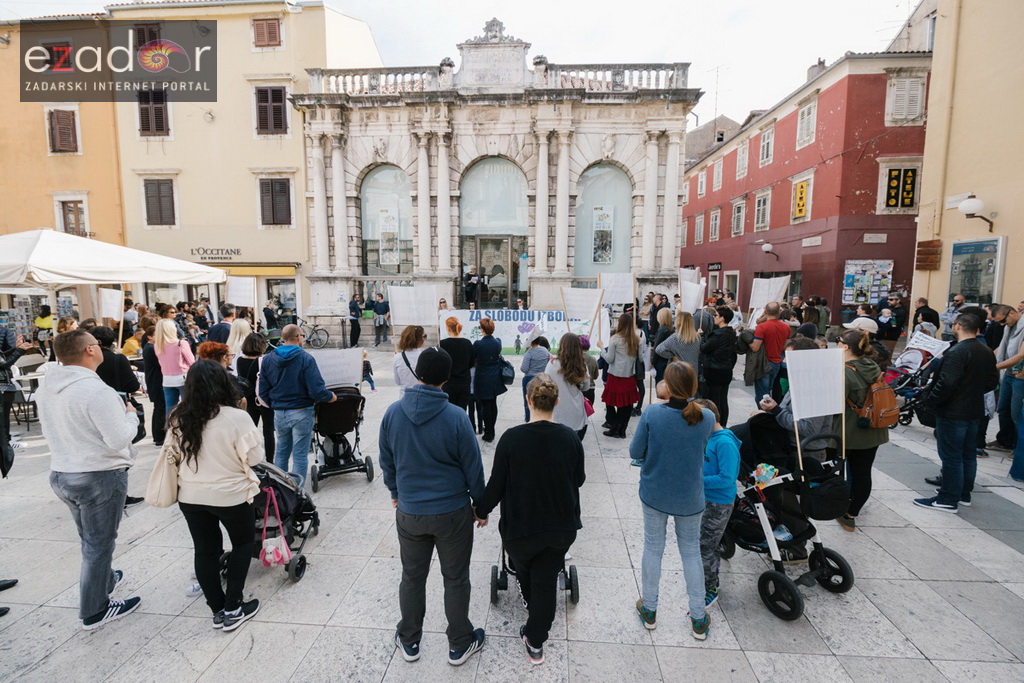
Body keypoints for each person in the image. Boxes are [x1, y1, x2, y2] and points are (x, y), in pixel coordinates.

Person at [378, 347, 487, 667]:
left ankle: (410, 640)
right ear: (447, 378)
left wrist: (395, 490)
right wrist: (480, 507)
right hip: (452, 513)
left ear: (418, 374)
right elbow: (473, 469)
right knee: (456, 578)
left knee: (412, 577)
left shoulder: (392, 413)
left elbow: (387, 460)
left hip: (410, 511)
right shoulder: (456, 417)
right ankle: (459, 644)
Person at [474, 374, 585, 665]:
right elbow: (580, 479)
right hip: (560, 528)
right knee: (546, 581)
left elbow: (495, 486)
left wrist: (482, 511)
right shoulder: (570, 438)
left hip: (521, 530)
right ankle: (535, 641)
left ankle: (530, 599)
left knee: (525, 570)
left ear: (528, 400)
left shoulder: (511, 439)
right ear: (556, 402)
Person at [37, 329, 142, 630]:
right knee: (99, 544)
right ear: (88, 351)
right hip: (98, 475)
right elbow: (118, 438)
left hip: (63, 471)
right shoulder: (96, 391)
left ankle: (105, 579)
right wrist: (131, 415)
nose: (100, 349)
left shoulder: (47, 387)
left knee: (90, 538)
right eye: (96, 345)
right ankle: (95, 609)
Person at [168, 360, 264, 631]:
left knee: (205, 551)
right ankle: (234, 606)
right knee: (243, 543)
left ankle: (217, 608)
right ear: (223, 383)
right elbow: (256, 457)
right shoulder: (235, 417)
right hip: (231, 495)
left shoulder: (178, 415)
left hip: (191, 495)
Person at [630, 361, 713, 640]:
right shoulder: (708, 417)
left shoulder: (653, 413)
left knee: (653, 548)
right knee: (691, 552)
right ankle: (698, 617)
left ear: (667, 385)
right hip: (690, 496)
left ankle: (650, 609)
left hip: (655, 492)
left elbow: (635, 449)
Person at [914, 314, 999, 512]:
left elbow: (947, 383)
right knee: (967, 454)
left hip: (953, 411)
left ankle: (948, 498)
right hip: (973, 410)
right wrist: (972, 391)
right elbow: (992, 382)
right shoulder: (985, 351)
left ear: (958, 326)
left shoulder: (958, 351)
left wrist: (931, 400)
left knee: (951, 456)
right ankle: (963, 493)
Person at [258, 324, 336, 479]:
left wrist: (275, 404)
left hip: (280, 412)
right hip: (301, 410)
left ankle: (280, 488)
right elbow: (316, 389)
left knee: (281, 451)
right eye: (302, 336)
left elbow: (263, 391)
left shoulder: (268, 359)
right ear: (298, 337)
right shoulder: (305, 358)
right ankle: (296, 493)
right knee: (299, 454)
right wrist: (330, 397)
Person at [834, 329, 890, 531]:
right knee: (862, 473)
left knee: (836, 471)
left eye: (838, 341)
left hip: (849, 431)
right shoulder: (872, 366)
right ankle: (852, 513)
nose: (837, 344)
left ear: (846, 347)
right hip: (873, 429)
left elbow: (835, 404)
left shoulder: (845, 371)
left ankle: (837, 507)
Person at [691, 398, 740, 609]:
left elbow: (727, 478)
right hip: (704, 498)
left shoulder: (725, 443)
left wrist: (697, 480)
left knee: (706, 547)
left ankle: (711, 587)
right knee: (702, 540)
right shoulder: (708, 437)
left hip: (718, 503)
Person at [759, 337, 834, 461]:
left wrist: (776, 411)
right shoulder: (799, 380)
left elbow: (809, 429)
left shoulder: (815, 388)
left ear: (803, 360)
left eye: (789, 356)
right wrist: (772, 410)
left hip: (807, 454)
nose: (784, 360)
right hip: (792, 448)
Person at [596, 313, 641, 439]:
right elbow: (641, 358)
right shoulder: (637, 339)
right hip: (630, 375)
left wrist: (601, 349)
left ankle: (614, 427)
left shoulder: (615, 339)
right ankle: (622, 429)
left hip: (616, 375)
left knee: (611, 402)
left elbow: (609, 359)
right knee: (627, 404)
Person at [546, 333, 591, 440]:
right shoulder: (582, 365)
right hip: (575, 410)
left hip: (556, 410)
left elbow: (546, 384)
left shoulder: (552, 364)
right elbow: (586, 387)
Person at [992, 304, 1024, 452]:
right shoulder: (1008, 327)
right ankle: (1005, 441)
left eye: (1003, 320)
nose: (1002, 324)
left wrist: (994, 368)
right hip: (1009, 374)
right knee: (1003, 409)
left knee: (1016, 413)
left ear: (1012, 313)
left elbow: (1020, 356)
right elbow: (1001, 347)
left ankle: (1019, 447)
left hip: (1020, 375)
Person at [236, 333, 274, 456]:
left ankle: (250, 457)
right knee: (268, 431)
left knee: (250, 430)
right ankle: (269, 460)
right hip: (263, 399)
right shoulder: (262, 361)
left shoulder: (239, 360)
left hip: (248, 398)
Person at [700, 306, 738, 427]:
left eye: (716, 315)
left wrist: (701, 337)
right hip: (726, 370)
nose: (714, 317)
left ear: (722, 318)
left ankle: (716, 425)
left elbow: (704, 348)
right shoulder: (731, 332)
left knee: (714, 400)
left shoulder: (717, 334)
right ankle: (723, 424)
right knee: (723, 399)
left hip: (714, 371)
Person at [749, 302, 790, 407]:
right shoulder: (786, 327)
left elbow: (755, 347)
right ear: (779, 312)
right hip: (777, 362)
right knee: (768, 391)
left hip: (764, 363)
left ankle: (762, 416)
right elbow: (786, 345)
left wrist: (747, 341)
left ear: (765, 311)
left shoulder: (762, 327)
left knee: (762, 394)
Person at [472, 318, 506, 442]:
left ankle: (489, 432)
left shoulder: (478, 344)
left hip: (483, 377)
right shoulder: (497, 342)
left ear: (482, 329)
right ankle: (491, 429)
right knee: (493, 403)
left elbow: (473, 357)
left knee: (486, 406)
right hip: (495, 376)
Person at [154, 318, 195, 416]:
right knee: (189, 407)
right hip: (183, 377)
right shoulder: (181, 343)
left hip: (167, 379)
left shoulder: (157, 345)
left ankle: (169, 429)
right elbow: (192, 362)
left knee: (170, 408)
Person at [440, 316, 475, 413]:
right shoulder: (467, 343)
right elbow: (471, 363)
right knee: (462, 412)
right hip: (463, 383)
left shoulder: (443, 344)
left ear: (448, 328)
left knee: (448, 412)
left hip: (448, 383)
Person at [140, 325, 166, 447]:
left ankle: (158, 436)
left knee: (159, 408)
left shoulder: (150, 347)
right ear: (149, 336)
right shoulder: (151, 348)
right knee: (160, 409)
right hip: (156, 381)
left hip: (155, 381)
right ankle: (159, 436)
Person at [656, 310, 701, 378]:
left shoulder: (675, 338)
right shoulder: (697, 338)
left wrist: (672, 356)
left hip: (678, 371)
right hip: (693, 372)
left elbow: (659, 349)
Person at [520, 336, 551, 421]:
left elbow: (524, 368)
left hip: (529, 379)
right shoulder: (545, 351)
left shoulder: (529, 353)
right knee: (542, 401)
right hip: (542, 379)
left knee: (529, 402)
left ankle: (529, 420)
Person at [393, 325, 428, 398]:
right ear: (419, 340)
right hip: (422, 396)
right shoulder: (425, 356)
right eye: (424, 336)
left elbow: (398, 381)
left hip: (404, 397)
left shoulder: (397, 358)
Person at [650, 307, 674, 383]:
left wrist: (652, 362)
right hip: (667, 359)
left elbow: (657, 346)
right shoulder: (671, 329)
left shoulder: (662, 330)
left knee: (660, 382)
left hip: (660, 359)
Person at [579, 335, 599, 407]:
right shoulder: (593, 359)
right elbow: (596, 376)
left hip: (578, 390)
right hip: (590, 389)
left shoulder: (574, 359)